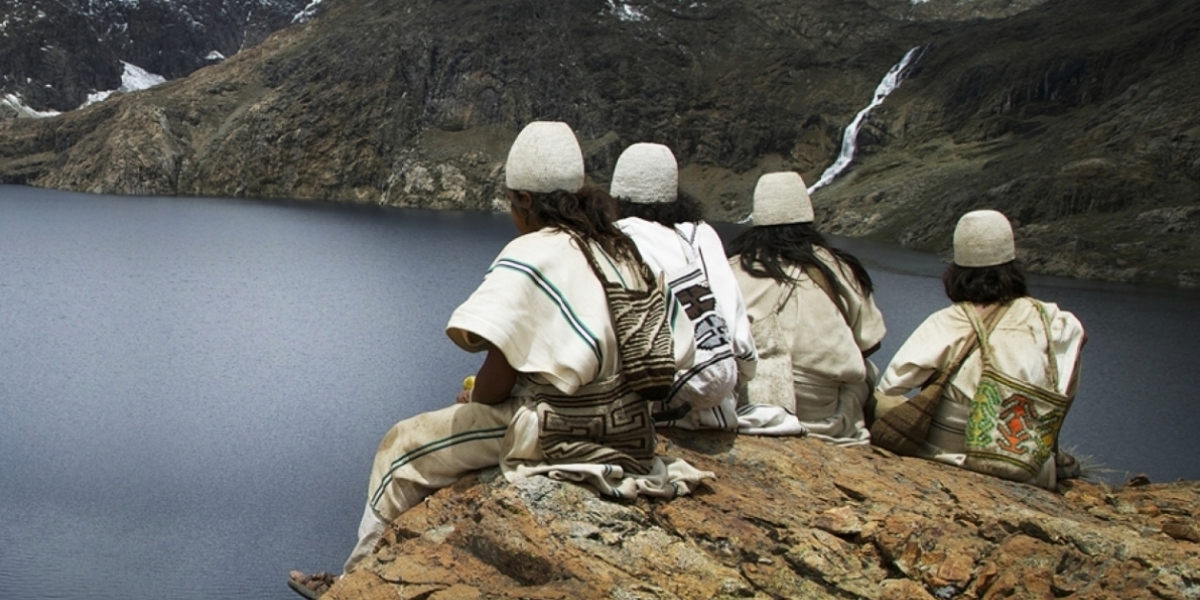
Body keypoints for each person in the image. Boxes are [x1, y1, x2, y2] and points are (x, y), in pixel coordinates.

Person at [288, 122, 711, 599]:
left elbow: (494, 385)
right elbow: (676, 349)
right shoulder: (623, 250)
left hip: (553, 431)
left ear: (526, 201)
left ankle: (356, 583)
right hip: (633, 432)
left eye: (512, 201)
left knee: (399, 449)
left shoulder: (532, 254)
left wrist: (476, 395)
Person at [875, 209, 1085, 489]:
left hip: (955, 455)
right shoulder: (1054, 320)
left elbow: (892, 385)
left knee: (876, 400)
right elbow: (1064, 386)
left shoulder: (949, 321)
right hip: (1025, 462)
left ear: (957, 271)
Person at [726, 171, 886, 442]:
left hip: (750, 406)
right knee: (868, 372)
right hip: (823, 418)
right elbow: (869, 342)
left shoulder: (732, 269)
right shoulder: (839, 269)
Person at [610, 142, 757, 431]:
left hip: (647, 408)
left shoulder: (618, 238)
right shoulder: (702, 235)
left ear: (617, 196)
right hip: (721, 406)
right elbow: (741, 342)